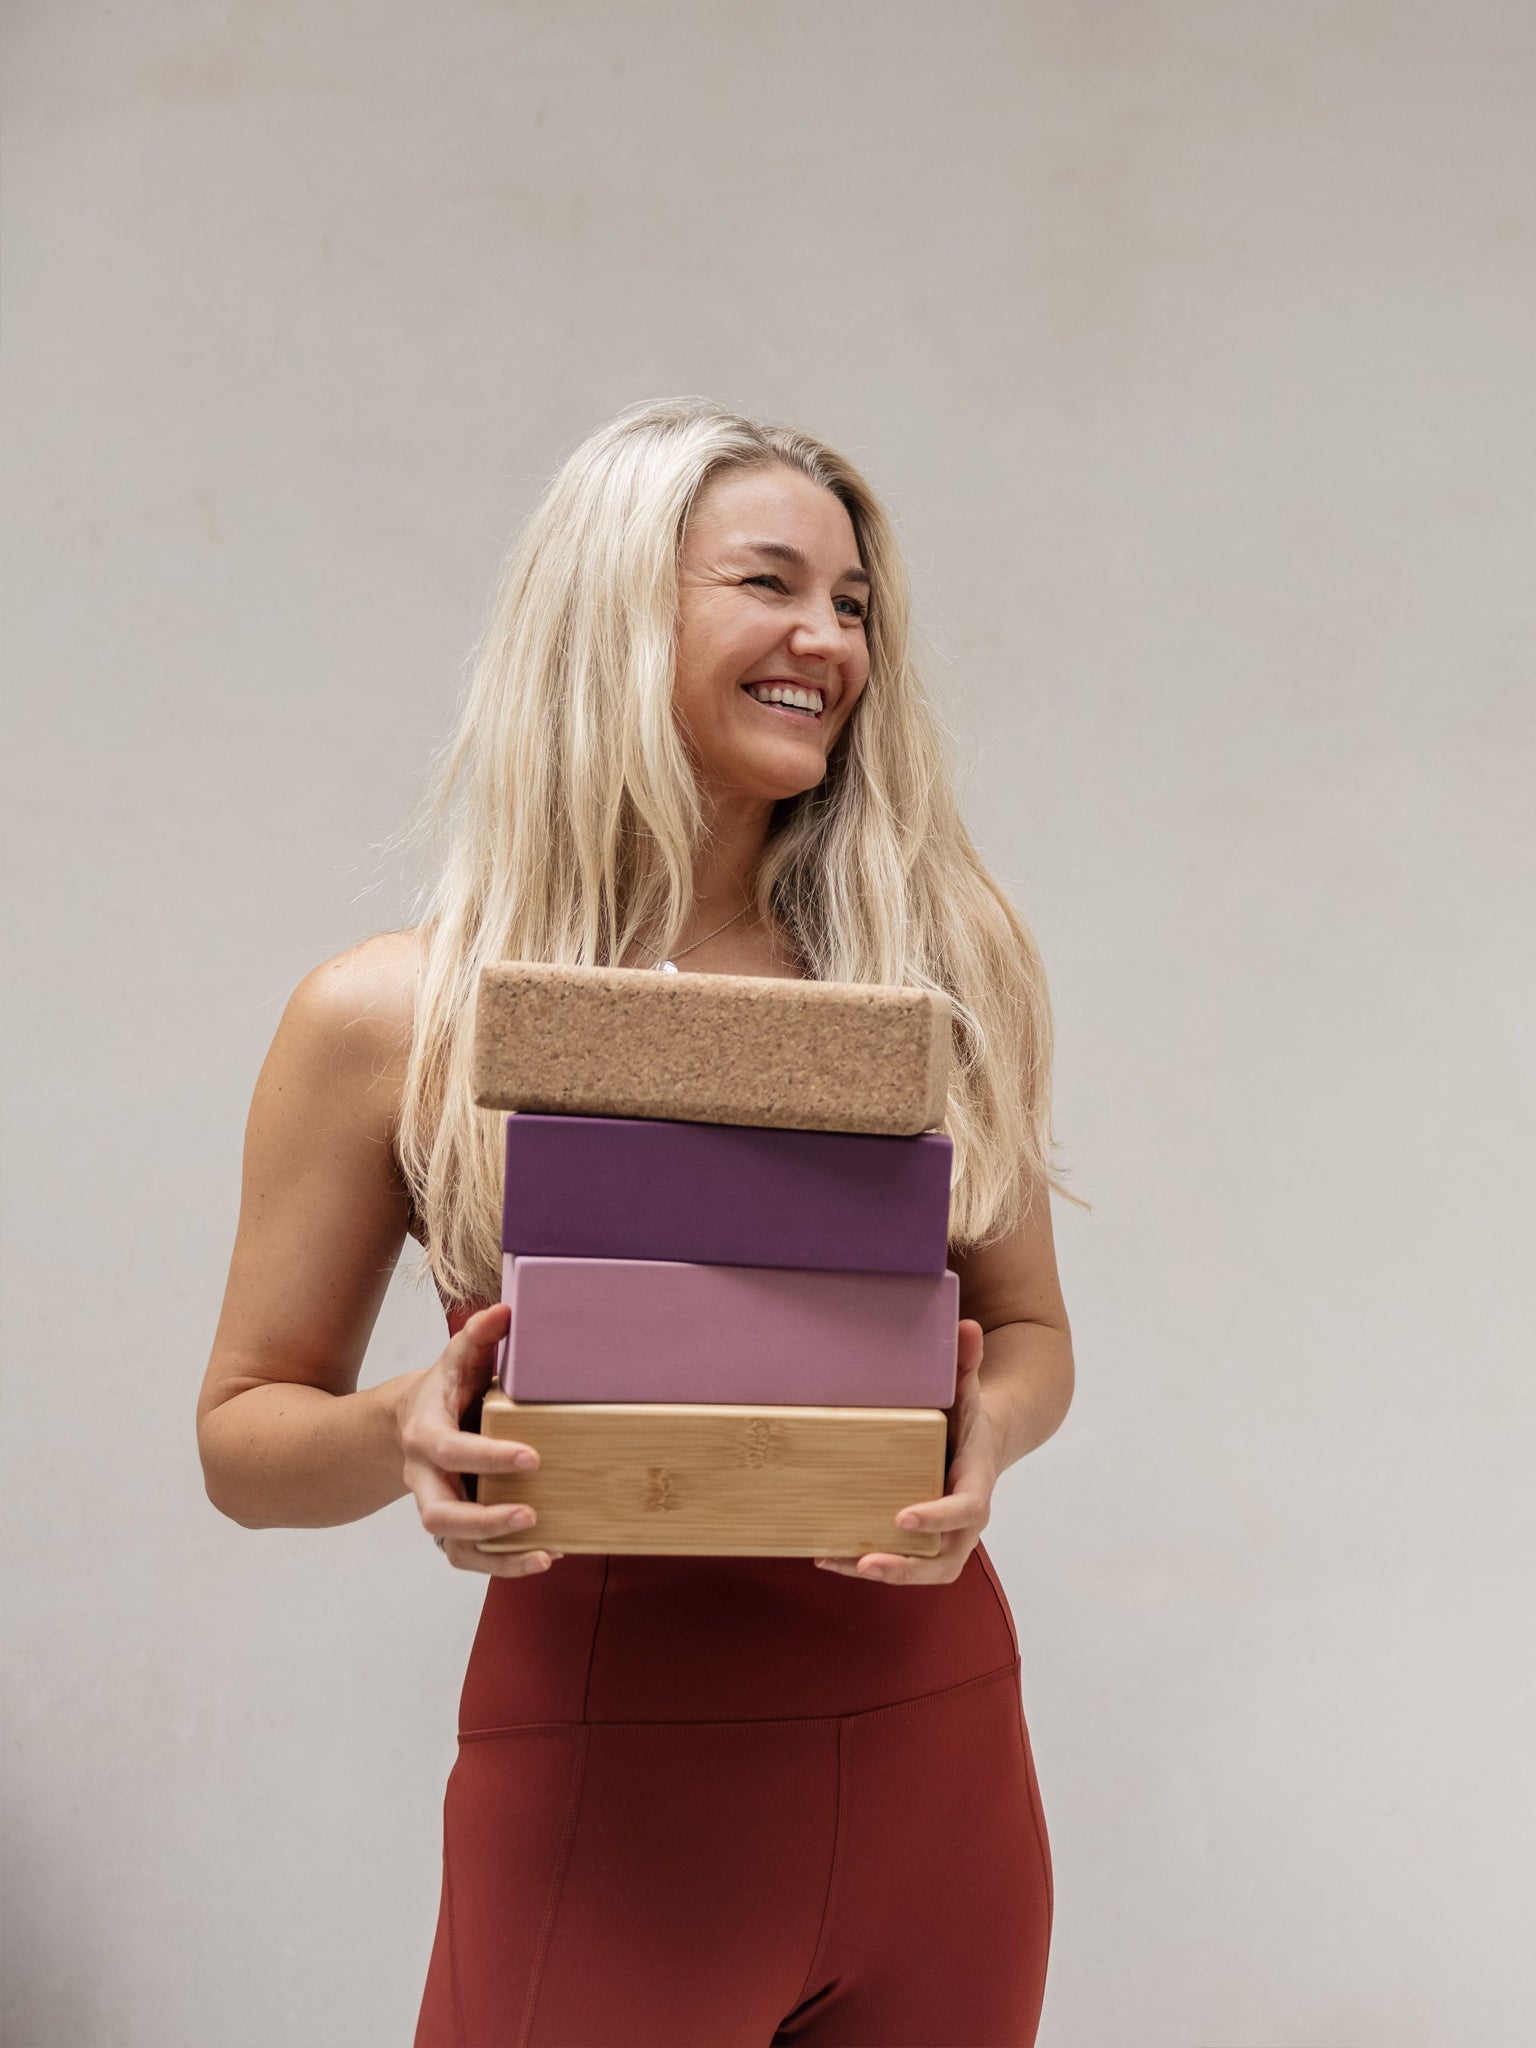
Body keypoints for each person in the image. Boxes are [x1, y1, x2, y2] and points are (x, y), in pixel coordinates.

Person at [198, 398, 1076, 2047]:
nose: (830, 640)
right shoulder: (393, 1018)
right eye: (770, 584)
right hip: (612, 1797)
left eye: (854, 604)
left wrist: (988, 1436)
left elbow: (1027, 1333)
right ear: (614, 608)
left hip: (943, 1766)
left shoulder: (936, 969)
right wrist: (411, 1425)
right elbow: (242, 1438)